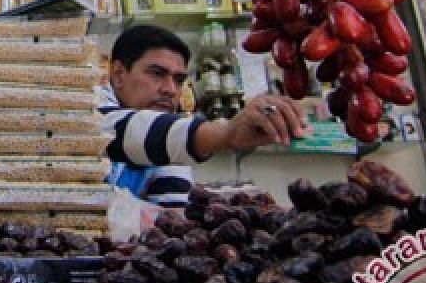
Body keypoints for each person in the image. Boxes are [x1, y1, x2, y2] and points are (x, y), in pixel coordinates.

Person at [100, 24, 309, 207]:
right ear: (118, 74)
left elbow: (170, 211)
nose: (171, 90)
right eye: (157, 73)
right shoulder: (89, 103)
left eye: (179, 80)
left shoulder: (168, 138)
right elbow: (117, 132)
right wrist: (226, 132)